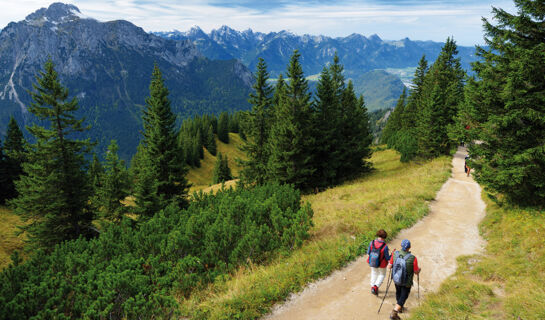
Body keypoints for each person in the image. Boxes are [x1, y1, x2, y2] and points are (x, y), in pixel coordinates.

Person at [388, 239, 420, 320]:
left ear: (401, 246)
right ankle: (394, 312)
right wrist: (419, 270)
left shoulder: (395, 254)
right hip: (407, 282)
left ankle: (400, 308)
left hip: (396, 279)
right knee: (404, 296)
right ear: (409, 247)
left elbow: (389, 266)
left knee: (398, 292)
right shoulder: (413, 258)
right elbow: (416, 272)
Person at [366, 229, 391, 295]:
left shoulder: (372, 242)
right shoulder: (385, 246)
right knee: (382, 275)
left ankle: (372, 287)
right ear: (384, 237)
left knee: (374, 273)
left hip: (372, 262)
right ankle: (376, 286)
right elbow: (387, 258)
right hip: (382, 264)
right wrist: (391, 256)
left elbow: (368, 253)